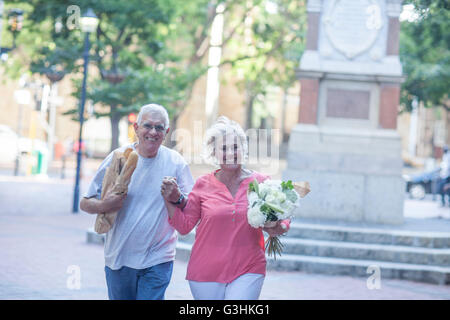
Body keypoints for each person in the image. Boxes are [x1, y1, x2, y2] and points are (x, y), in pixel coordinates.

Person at [161, 116, 289, 300]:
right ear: (214, 153)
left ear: (243, 149)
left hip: (248, 267)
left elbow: (280, 213)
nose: (230, 152)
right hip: (205, 270)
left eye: (235, 147)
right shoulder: (203, 184)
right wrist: (168, 199)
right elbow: (184, 226)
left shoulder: (262, 183)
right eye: (223, 148)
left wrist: (281, 225)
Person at [80, 104, 194, 300]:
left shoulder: (176, 162)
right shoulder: (118, 158)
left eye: (159, 128)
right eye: (147, 126)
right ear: (136, 128)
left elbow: (191, 209)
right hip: (119, 256)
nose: (153, 132)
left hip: (158, 258)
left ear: (166, 132)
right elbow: (85, 202)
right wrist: (105, 205)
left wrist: (178, 198)